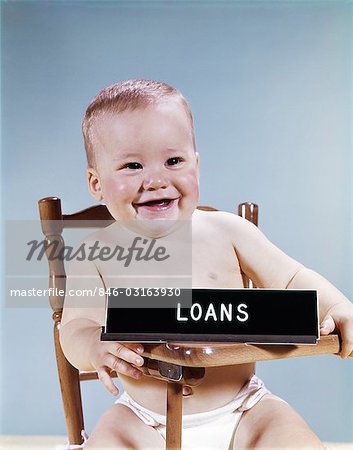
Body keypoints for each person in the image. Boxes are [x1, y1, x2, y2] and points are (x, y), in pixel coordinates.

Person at [60, 79, 353, 449]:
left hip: (243, 408)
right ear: (96, 183)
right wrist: (95, 347)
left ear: (196, 164)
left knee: (291, 438)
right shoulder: (96, 252)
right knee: (111, 441)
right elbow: (75, 327)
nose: (155, 179)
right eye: (133, 165)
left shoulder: (229, 230)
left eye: (174, 161)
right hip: (144, 418)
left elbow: (293, 277)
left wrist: (338, 306)